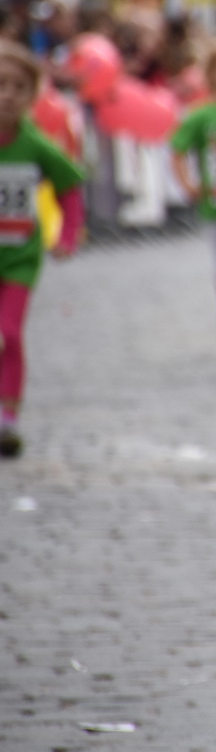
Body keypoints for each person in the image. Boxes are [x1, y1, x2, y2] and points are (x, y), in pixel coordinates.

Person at [0, 43, 83, 459]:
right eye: (0, 85)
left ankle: (8, 419)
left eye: (18, 87)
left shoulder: (37, 145)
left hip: (18, 257)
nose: (8, 95)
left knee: (9, 332)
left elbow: (70, 188)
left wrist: (67, 236)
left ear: (32, 96)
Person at [170, 38, 216, 349]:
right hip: (214, 199)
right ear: (212, 75)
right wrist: (187, 183)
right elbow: (177, 150)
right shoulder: (201, 115)